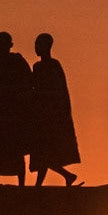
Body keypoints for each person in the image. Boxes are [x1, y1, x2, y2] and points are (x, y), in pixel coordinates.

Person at [29, 33, 81, 187]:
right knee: (42, 151)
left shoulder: (54, 65)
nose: (36, 48)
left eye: (39, 45)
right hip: (41, 114)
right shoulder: (36, 67)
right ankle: (66, 176)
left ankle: (43, 183)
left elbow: (58, 91)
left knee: (45, 152)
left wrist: (40, 94)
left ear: (47, 47)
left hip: (52, 115)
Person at [0, 31, 33, 185]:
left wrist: (2, 86)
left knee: (15, 147)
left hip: (15, 111)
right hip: (0, 110)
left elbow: (27, 83)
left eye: (3, 44)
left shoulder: (17, 60)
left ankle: (21, 184)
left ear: (10, 45)